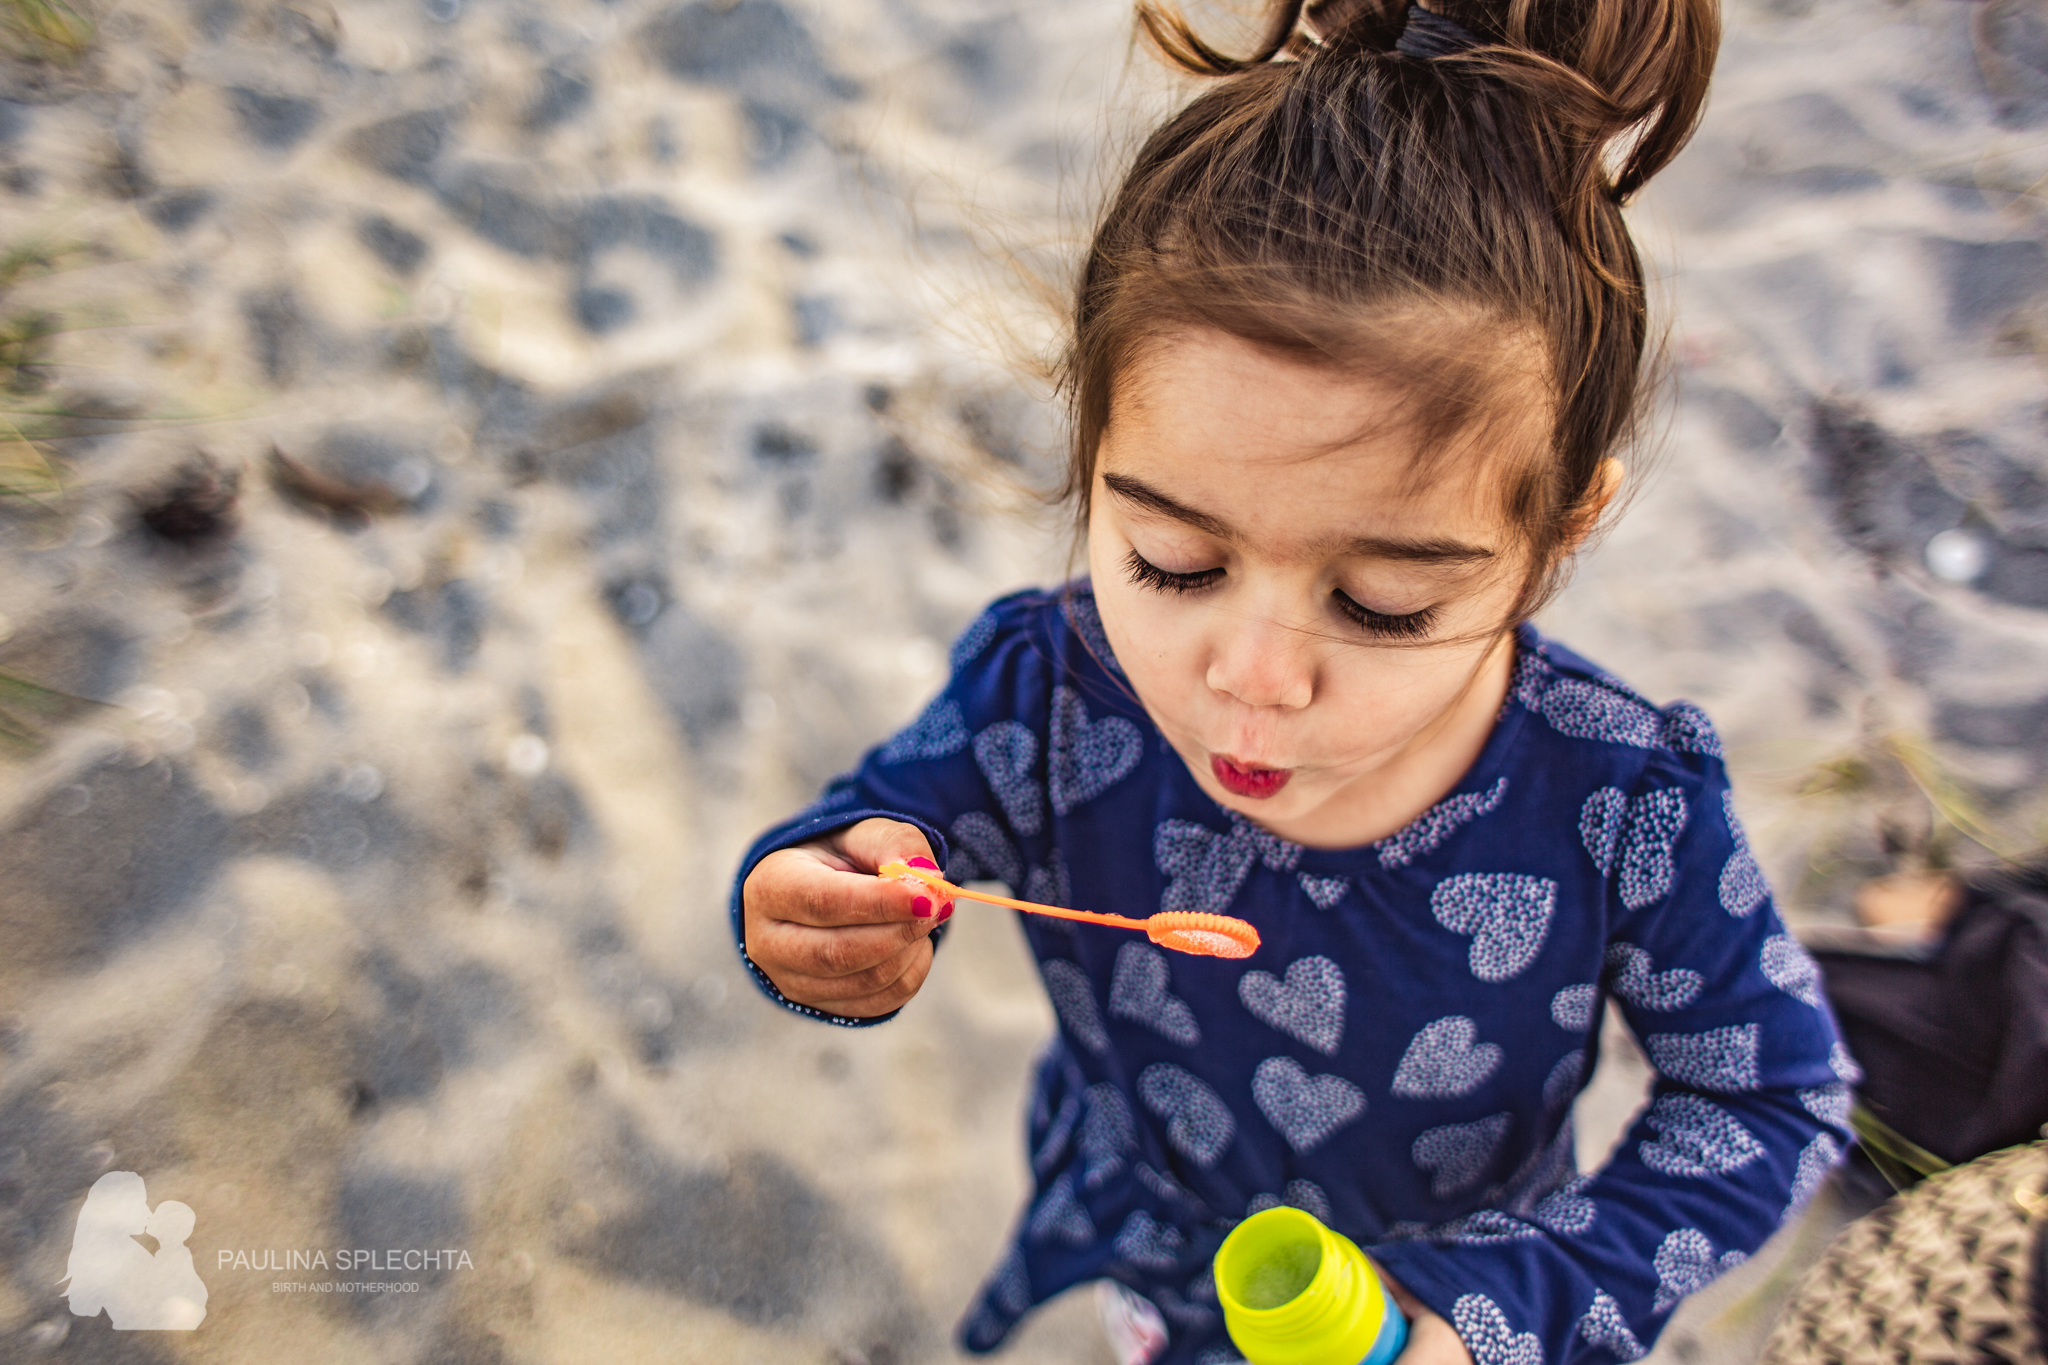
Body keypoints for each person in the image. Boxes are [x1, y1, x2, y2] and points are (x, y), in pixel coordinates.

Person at [732, 2, 1854, 1361]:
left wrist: (1504, 1307)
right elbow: (867, 839)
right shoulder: (1049, 694)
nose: (1251, 681)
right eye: (1175, 560)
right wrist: (820, 900)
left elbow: (1772, 1098)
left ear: (1558, 532)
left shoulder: (1621, 803)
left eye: (1382, 603)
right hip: (1160, 1253)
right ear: (1094, 467)